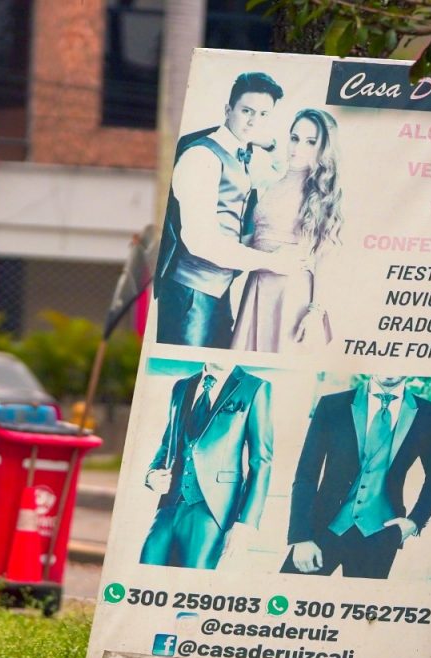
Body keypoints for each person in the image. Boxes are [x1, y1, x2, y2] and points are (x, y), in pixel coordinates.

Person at [155, 71, 303, 349]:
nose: (253, 121)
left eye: (263, 115)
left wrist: (270, 144)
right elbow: (200, 242)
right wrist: (272, 261)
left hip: (219, 293)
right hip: (191, 293)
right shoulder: (201, 156)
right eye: (247, 111)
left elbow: (284, 180)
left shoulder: (242, 155)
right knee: (183, 371)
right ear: (228, 110)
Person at [282, 375, 431, 579]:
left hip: (381, 534)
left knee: (362, 600)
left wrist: (415, 521)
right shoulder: (333, 405)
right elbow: (306, 474)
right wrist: (300, 537)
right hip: (322, 528)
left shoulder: (427, 412)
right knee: (289, 590)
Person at [140, 362, 273, 569]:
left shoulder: (255, 387)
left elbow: (261, 461)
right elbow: (168, 443)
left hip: (214, 509)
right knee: (146, 568)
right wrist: (151, 474)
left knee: (191, 579)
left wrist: (246, 523)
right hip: (170, 502)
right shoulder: (181, 386)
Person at [232, 108, 344, 352]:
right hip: (256, 285)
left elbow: (325, 256)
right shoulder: (270, 183)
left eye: (310, 142)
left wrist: (315, 311)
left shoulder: (321, 192)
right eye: (294, 138)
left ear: (323, 148)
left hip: (292, 293)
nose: (297, 147)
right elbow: (253, 239)